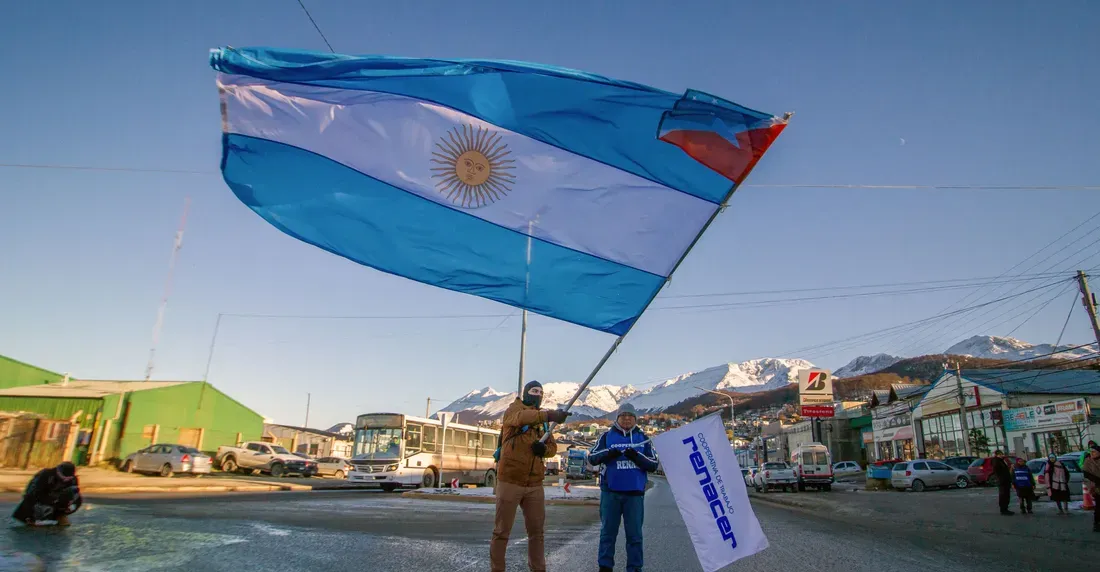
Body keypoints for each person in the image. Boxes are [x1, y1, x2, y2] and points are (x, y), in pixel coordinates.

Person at [490, 380, 570, 572]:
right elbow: (522, 418)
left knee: (537, 533)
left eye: (540, 392)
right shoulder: (513, 409)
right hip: (510, 479)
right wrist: (550, 414)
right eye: (534, 391)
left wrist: (543, 449)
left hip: (535, 483)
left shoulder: (543, 423)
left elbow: (552, 448)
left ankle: (538, 569)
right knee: (501, 532)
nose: (537, 395)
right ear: (525, 393)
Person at [588, 403, 659, 572]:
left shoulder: (643, 438)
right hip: (611, 493)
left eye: (630, 415)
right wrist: (608, 453)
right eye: (623, 415)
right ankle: (605, 567)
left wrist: (635, 456)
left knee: (634, 536)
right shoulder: (606, 436)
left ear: (635, 418)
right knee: (607, 534)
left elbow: (653, 464)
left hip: (634, 494)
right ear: (617, 418)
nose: (627, 418)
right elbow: (592, 458)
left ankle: (634, 568)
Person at [12, 462, 82, 526]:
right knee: (38, 520)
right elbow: (34, 494)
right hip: (38, 501)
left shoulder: (73, 480)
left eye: (69, 478)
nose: (66, 480)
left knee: (63, 523)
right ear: (58, 471)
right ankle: (34, 519)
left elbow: (76, 497)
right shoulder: (45, 475)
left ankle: (58, 515)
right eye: (64, 477)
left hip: (56, 504)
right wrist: (52, 503)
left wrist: (72, 506)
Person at [1082, 444, 1100, 532]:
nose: (1092, 453)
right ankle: (1096, 524)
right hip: (1096, 486)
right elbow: (1086, 475)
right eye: (1091, 452)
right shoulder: (1088, 461)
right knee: (1099, 506)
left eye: (1094, 452)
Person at [992, 450, 1014, 515]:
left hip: (1005, 480)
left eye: (1002, 454)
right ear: (997, 455)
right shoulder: (996, 461)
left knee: (1006, 495)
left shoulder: (1001, 460)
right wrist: (1001, 478)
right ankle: (1003, 509)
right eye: (1000, 454)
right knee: (1003, 495)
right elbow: (997, 470)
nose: (1002, 455)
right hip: (1002, 481)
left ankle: (1005, 508)